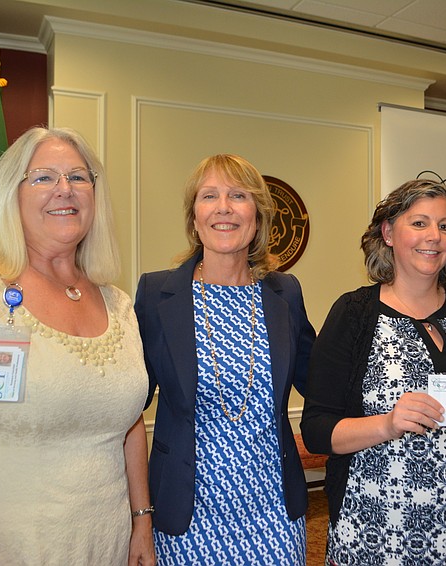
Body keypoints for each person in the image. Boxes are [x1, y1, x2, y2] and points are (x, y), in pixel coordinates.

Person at [0, 127, 155, 566]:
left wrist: (142, 521)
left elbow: (127, 422)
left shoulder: (118, 303)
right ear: (9, 194)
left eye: (78, 177)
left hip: (105, 545)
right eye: (43, 178)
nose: (64, 190)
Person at [301, 179, 446, 565]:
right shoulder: (354, 314)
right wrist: (388, 424)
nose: (434, 237)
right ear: (388, 232)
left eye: (445, 227)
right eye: (419, 223)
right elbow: (316, 429)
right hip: (380, 532)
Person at [134, 153, 315, 564]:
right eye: (209, 196)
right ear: (194, 218)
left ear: (258, 216)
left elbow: (322, 382)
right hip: (187, 512)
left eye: (238, 196)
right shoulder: (158, 296)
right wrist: (138, 516)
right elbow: (127, 404)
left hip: (273, 512)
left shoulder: (285, 294)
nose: (224, 208)